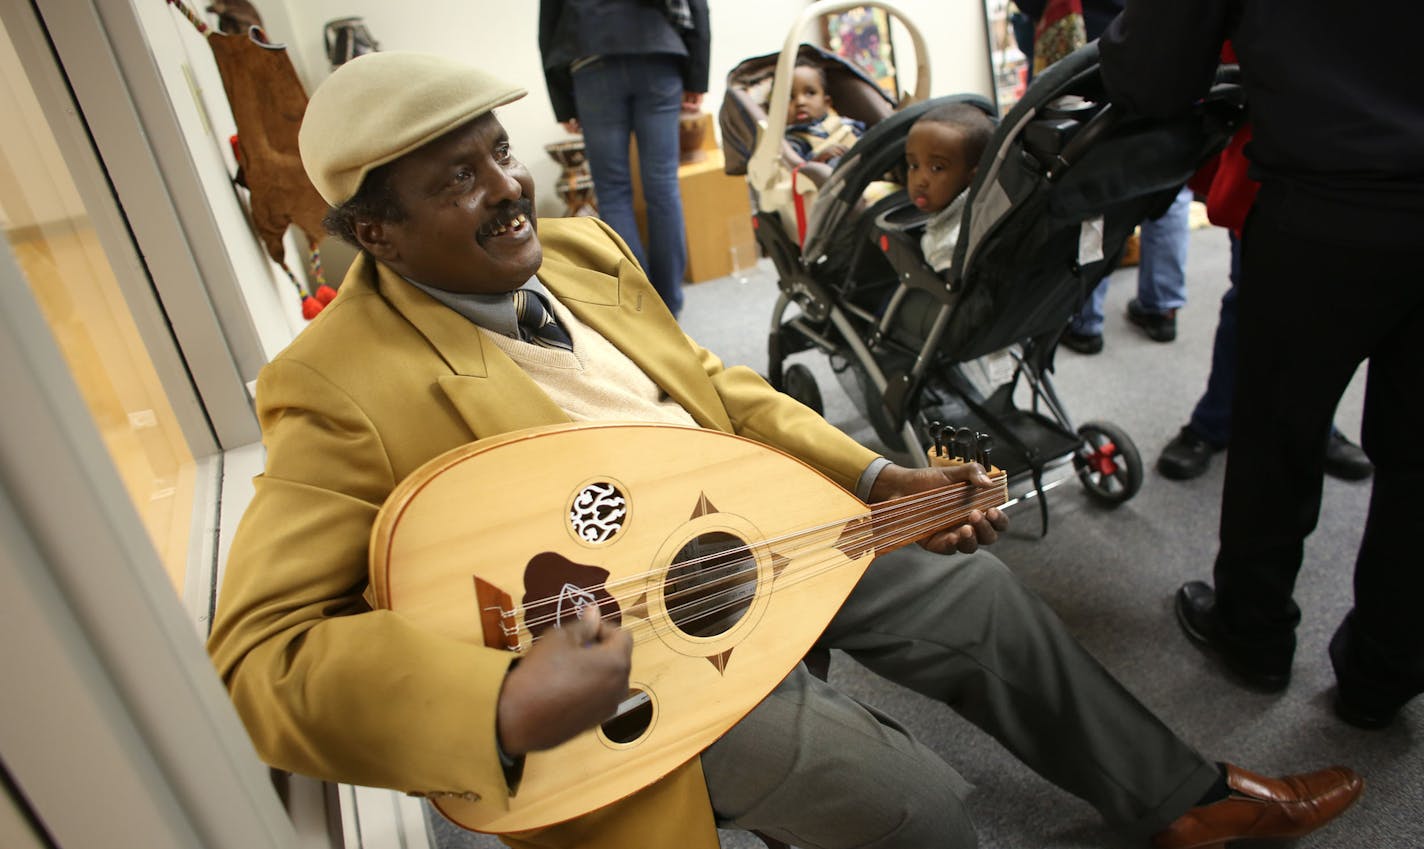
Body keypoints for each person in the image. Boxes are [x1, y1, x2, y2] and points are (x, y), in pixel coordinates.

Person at [207, 51, 1365, 849]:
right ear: (374, 232)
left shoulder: (576, 250)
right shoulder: (331, 387)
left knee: (981, 604)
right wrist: (505, 697)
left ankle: (1181, 800)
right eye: (453, 179)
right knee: (917, 813)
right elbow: (261, 660)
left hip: (742, 524)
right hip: (635, 662)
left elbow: (713, 385)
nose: (507, 190)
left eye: (496, 152)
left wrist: (870, 475)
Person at [1097, 0, 1424, 730]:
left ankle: (1254, 632)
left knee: (1278, 434)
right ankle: (1387, 670)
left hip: (1327, 204)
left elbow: (1151, 73)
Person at [1157, 120, 1372, 482]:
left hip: (1363, 177)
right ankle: (1214, 421)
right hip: (1275, 170)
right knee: (1250, 300)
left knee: (1327, 313)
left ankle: (1316, 426)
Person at [1016, 0, 1192, 355]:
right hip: (1168, 51)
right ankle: (1162, 306)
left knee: (1090, 188)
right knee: (1167, 179)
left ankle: (1084, 320)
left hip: (1091, 50)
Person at [538, 0, 709, 318]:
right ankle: (670, 306)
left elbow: (549, 22)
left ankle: (642, 306)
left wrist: (563, 101)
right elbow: (696, 5)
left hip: (591, 57)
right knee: (663, 187)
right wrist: (697, 75)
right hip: (657, 50)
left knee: (613, 192)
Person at [904, 101, 995, 273]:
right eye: (914, 165)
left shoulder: (951, 248)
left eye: (937, 168)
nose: (920, 181)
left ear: (973, 177)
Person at [784, 56, 865, 168]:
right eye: (790, 97)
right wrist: (818, 159)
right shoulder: (791, 143)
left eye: (810, 93)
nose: (800, 102)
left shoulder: (846, 124)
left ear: (827, 102)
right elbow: (797, 172)